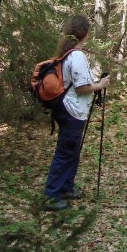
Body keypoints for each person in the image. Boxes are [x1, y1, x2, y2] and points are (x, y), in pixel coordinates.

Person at [44, 14, 110, 211]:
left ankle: (65, 187)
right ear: (85, 34)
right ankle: (51, 194)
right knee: (65, 152)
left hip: (69, 109)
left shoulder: (67, 54)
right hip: (72, 110)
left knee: (72, 150)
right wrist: (100, 84)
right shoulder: (76, 56)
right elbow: (82, 88)